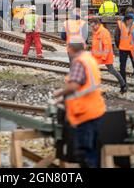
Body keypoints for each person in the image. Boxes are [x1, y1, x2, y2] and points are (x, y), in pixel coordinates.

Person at [53, 37, 106, 168]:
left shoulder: (79, 62)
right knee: (94, 152)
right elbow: (85, 87)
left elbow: (74, 86)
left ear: (70, 48)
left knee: (85, 155)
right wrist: (64, 99)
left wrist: (59, 93)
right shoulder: (89, 60)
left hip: (84, 114)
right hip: (96, 111)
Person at [89, 17, 127, 93]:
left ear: (97, 24)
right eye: (91, 26)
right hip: (97, 56)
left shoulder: (104, 32)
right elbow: (95, 45)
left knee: (112, 70)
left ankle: (123, 85)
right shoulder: (96, 31)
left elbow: (107, 46)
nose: (92, 28)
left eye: (93, 26)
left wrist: (104, 56)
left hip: (104, 56)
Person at [115, 9, 134, 87]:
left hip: (123, 48)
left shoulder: (120, 24)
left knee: (122, 67)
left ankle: (123, 85)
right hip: (133, 49)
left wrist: (118, 45)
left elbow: (116, 36)